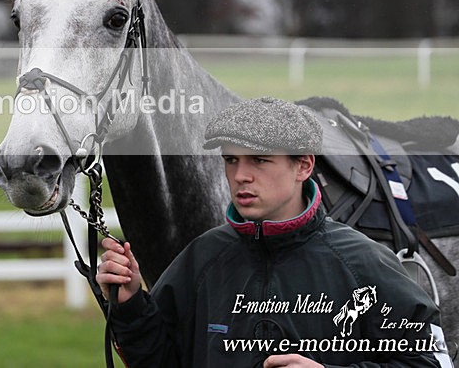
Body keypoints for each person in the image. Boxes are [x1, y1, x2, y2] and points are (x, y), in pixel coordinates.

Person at [96, 96, 451, 368]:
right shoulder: (202, 258)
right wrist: (130, 305)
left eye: (259, 159)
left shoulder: (364, 263)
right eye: (231, 159)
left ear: (304, 165)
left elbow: (432, 361)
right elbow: (161, 361)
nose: (240, 176)